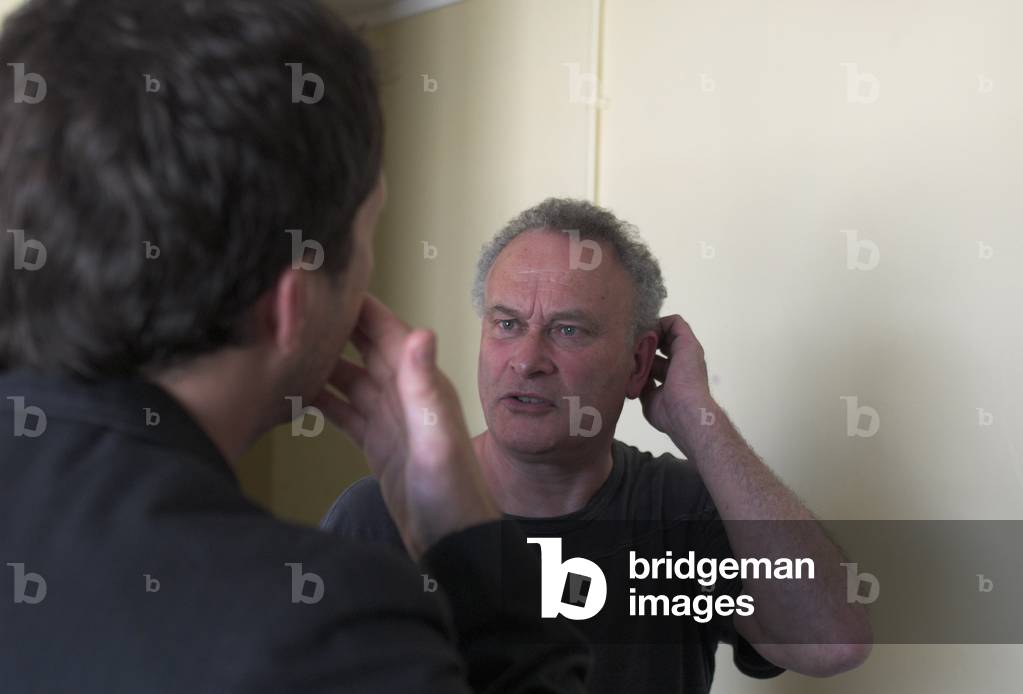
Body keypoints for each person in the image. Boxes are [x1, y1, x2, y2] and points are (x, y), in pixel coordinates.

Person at [0, 1, 592, 692]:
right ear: (293, 302)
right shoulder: (329, 639)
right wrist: (464, 543)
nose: (528, 356)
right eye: (369, 233)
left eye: (570, 328)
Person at [323, 198, 874, 694]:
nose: (526, 360)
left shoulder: (680, 513)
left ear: (639, 363)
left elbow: (831, 643)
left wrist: (698, 420)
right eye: (507, 323)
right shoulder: (379, 517)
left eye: (568, 331)